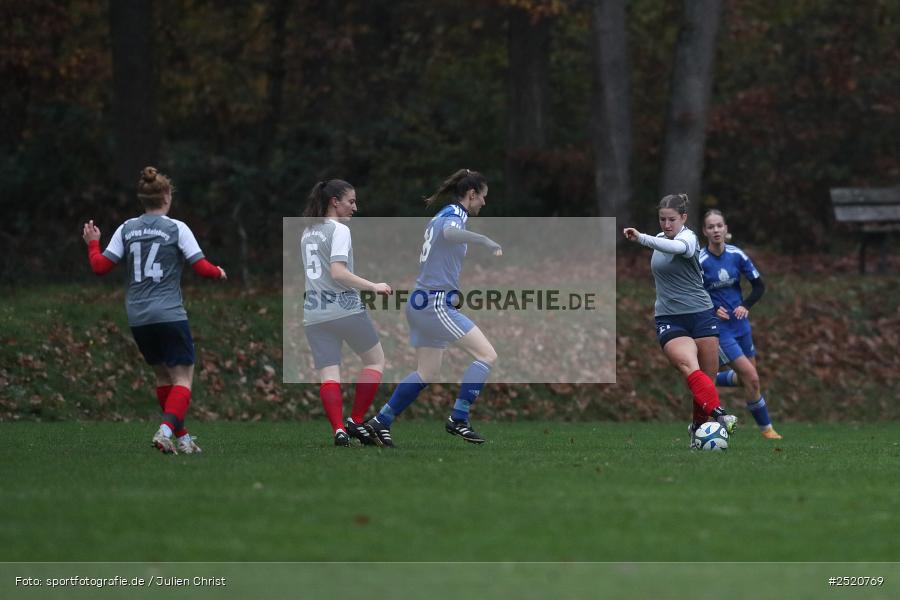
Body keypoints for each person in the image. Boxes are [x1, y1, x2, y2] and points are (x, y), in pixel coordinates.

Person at [82, 166, 227, 455]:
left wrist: (92, 243)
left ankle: (182, 437)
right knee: (183, 379)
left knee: (164, 378)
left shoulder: (127, 228)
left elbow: (100, 267)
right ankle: (164, 431)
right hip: (169, 313)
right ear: (167, 195)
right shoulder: (176, 228)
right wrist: (218, 273)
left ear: (142, 198)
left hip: (138, 316)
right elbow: (200, 266)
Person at [364, 169, 502, 448]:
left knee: (427, 372)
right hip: (432, 304)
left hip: (423, 301)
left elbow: (441, 256)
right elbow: (451, 235)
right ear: (472, 194)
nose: (484, 204)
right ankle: (459, 419)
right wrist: (485, 240)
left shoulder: (441, 214)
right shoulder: (454, 216)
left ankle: (380, 422)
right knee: (486, 354)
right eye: (483, 198)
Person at [623, 193, 738, 446]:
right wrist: (650, 239)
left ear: (683, 218)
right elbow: (664, 243)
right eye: (662, 219)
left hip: (700, 314)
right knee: (689, 366)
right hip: (669, 318)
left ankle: (697, 427)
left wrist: (642, 238)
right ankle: (721, 415)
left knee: (706, 382)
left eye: (671, 219)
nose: (666, 225)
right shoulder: (660, 239)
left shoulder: (688, 238)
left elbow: (678, 248)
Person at [301, 179, 393, 447]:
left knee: (329, 374)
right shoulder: (339, 230)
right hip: (345, 309)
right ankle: (354, 419)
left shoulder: (308, 231)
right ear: (334, 202)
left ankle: (339, 430)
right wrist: (373, 286)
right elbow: (338, 272)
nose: (355, 207)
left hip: (314, 314)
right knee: (375, 361)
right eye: (351, 202)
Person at [700, 210, 782, 439]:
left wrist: (745, 305)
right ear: (705, 232)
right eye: (711, 227)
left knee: (749, 378)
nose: (716, 230)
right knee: (752, 377)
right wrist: (713, 309)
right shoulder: (701, 261)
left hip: (741, 326)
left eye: (719, 226)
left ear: (725, 229)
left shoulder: (737, 255)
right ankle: (767, 431)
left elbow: (759, 286)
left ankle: (708, 379)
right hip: (720, 329)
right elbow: (694, 292)